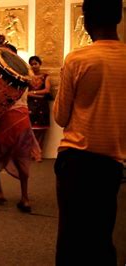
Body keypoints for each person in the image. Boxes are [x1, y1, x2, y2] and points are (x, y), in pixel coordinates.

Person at [53, 0, 125, 264]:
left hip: (76, 160)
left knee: (70, 236)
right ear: (118, 18)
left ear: (85, 21)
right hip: (112, 163)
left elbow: (61, 117)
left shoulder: (77, 59)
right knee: (102, 234)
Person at [0, 44, 41, 213]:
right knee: (22, 158)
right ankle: (25, 198)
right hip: (23, 119)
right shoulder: (23, 73)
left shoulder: (4, 72)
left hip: (7, 120)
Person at [27, 55, 51, 156]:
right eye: (32, 64)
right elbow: (26, 92)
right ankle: (33, 153)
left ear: (40, 64)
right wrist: (38, 94)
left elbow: (47, 90)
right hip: (31, 106)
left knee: (41, 131)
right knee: (31, 131)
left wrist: (34, 93)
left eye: (36, 63)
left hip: (42, 107)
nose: (34, 66)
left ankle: (39, 154)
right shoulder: (27, 77)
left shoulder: (46, 76)